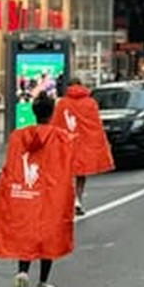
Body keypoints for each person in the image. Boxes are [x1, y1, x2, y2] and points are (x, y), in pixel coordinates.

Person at [0, 93, 74, 287]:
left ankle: (23, 273)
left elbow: (10, 167)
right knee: (48, 238)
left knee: (27, 234)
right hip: (49, 195)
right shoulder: (61, 136)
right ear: (52, 112)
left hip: (24, 194)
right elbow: (65, 168)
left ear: (34, 112)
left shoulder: (18, 136)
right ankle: (42, 283)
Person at [53, 76, 114, 216]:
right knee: (81, 174)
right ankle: (78, 200)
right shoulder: (90, 102)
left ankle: (70, 200)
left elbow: (56, 124)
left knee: (67, 174)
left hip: (67, 142)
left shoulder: (62, 103)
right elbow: (95, 125)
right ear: (81, 85)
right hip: (84, 142)